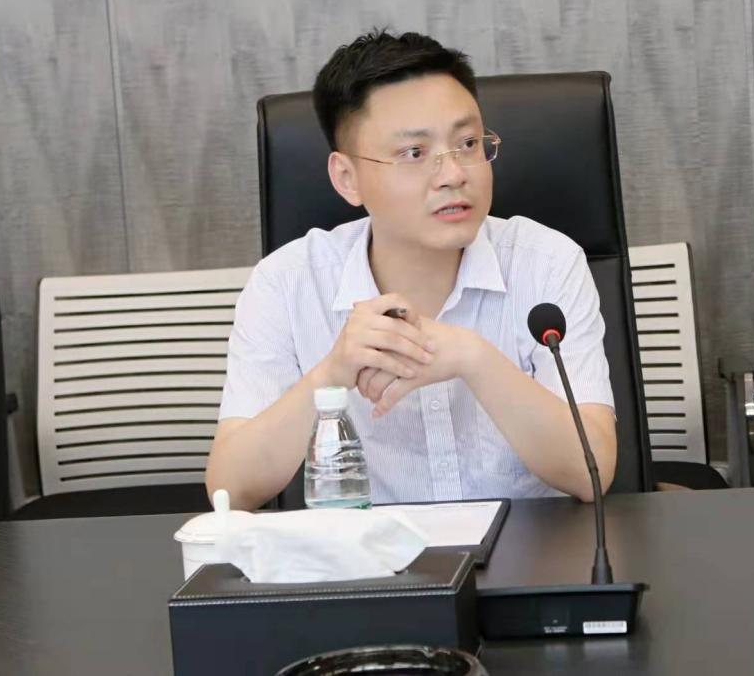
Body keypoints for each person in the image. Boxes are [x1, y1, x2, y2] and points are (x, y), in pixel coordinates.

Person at [206, 30, 616, 510]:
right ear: (347, 178)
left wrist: (474, 360)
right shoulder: (287, 282)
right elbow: (230, 491)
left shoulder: (546, 262)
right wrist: (332, 373)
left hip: (532, 548)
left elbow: (592, 473)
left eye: (468, 143)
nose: (454, 174)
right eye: (415, 153)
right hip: (367, 555)